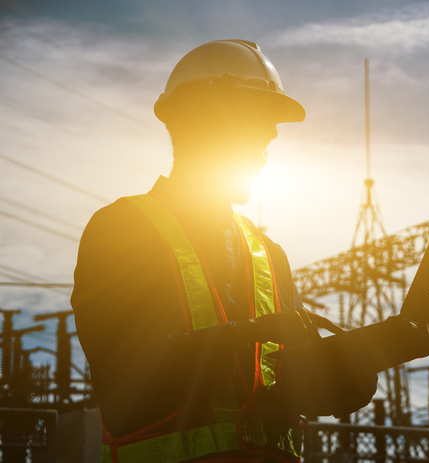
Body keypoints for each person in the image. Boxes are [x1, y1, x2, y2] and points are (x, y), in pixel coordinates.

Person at [71, 39, 378, 463]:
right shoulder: (123, 230)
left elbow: (276, 386)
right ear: (200, 121)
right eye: (257, 121)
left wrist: (342, 373)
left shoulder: (269, 254)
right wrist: (253, 333)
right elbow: (129, 371)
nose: (271, 136)